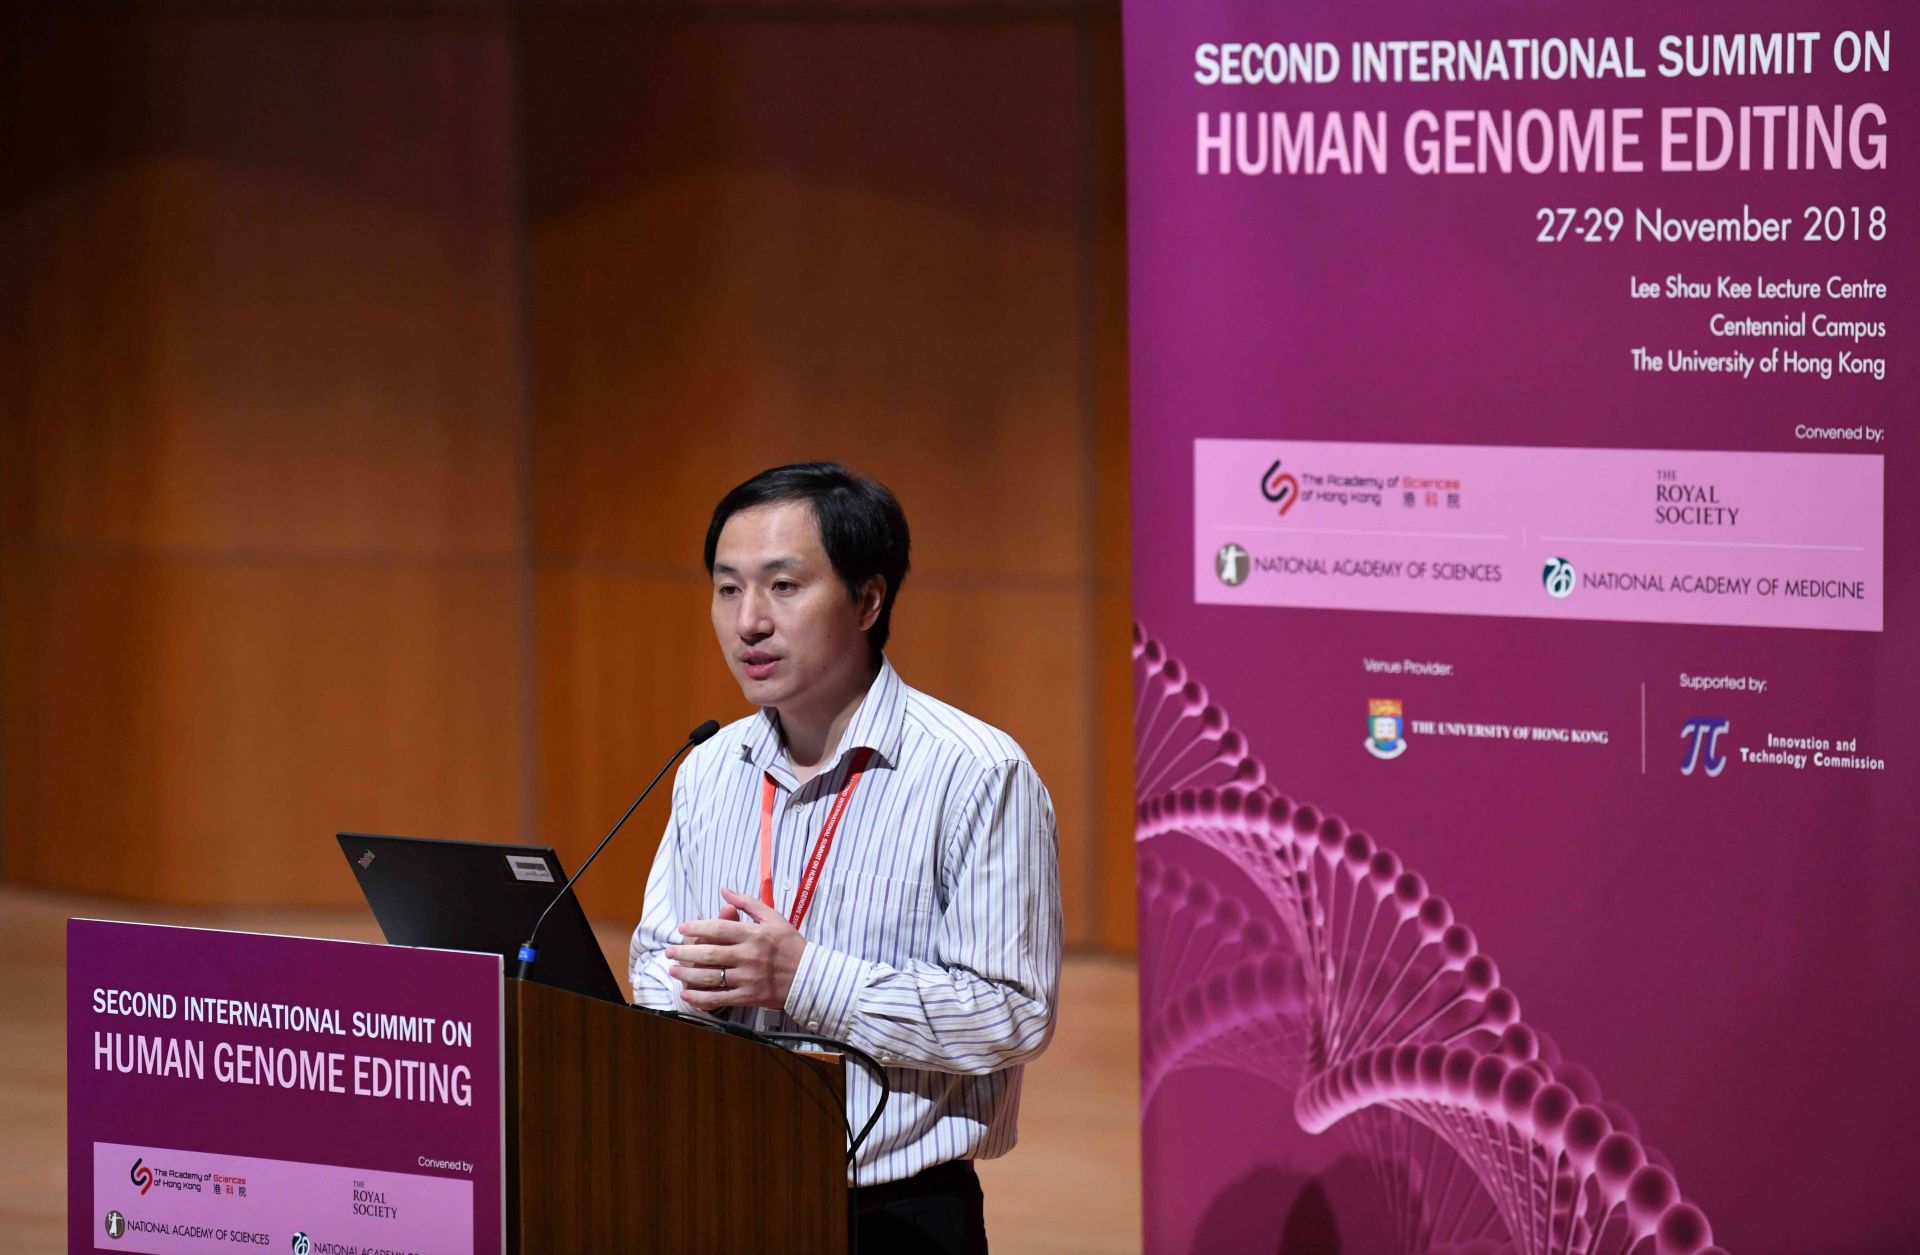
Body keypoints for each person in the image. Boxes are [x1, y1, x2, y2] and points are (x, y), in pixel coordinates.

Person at [629, 461, 1062, 1255]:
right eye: (728, 589)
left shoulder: (977, 773)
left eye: (783, 586)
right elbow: (655, 956)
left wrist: (804, 978)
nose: (748, 622)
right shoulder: (709, 767)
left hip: (891, 1214)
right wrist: (690, 987)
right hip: (719, 1183)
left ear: (868, 599)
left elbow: (1013, 1012)